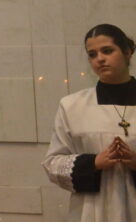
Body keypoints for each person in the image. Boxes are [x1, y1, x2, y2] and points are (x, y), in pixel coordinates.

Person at [43, 23, 136, 221]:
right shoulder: (72, 106)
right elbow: (52, 164)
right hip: (92, 211)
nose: (100, 59)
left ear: (128, 52)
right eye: (92, 54)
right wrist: (93, 163)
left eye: (107, 51)